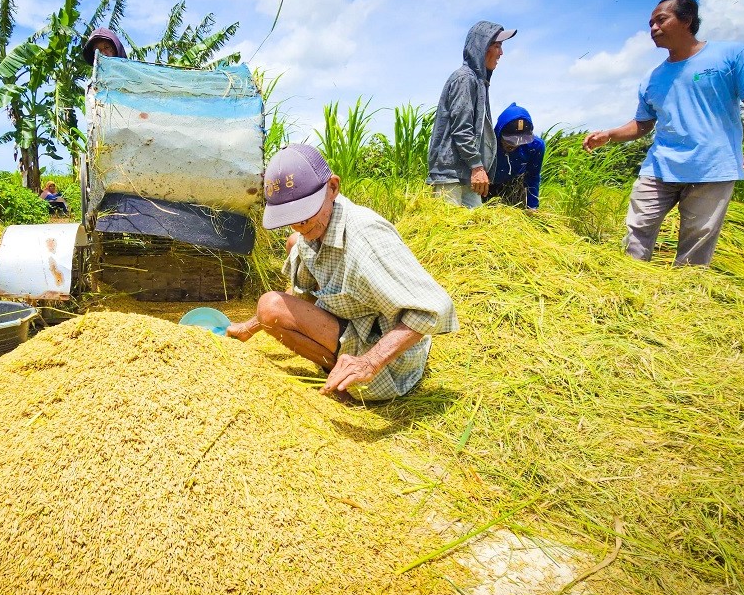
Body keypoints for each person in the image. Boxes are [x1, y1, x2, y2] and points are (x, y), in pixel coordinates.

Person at [227, 143, 459, 401]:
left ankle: (346, 381)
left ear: (333, 188)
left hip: (389, 360)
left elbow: (434, 308)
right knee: (294, 245)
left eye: (304, 214)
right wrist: (251, 326)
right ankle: (333, 360)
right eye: (290, 216)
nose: (299, 225)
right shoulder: (310, 233)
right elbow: (301, 293)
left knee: (269, 305)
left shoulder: (367, 239)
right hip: (352, 324)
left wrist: (370, 362)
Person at [583, 0, 744, 266]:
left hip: (712, 166)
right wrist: (609, 134)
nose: (653, 29)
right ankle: (631, 284)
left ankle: (686, 296)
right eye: (650, 24)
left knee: (697, 238)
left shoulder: (731, 55)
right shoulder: (653, 78)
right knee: (637, 228)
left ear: (687, 20)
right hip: (661, 166)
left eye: (661, 20)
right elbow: (643, 123)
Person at [426, 21, 517, 208]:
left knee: (476, 230)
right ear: (481, 47)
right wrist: (477, 165)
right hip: (450, 176)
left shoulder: (479, 82)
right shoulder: (465, 79)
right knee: (448, 231)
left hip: (466, 174)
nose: (501, 53)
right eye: (497, 45)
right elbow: (462, 128)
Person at [487, 103, 545, 210]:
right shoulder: (487, 143)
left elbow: (533, 176)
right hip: (485, 184)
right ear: (499, 132)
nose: (514, 144)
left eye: (520, 140)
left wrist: (532, 206)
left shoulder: (535, 146)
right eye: (509, 140)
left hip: (510, 186)